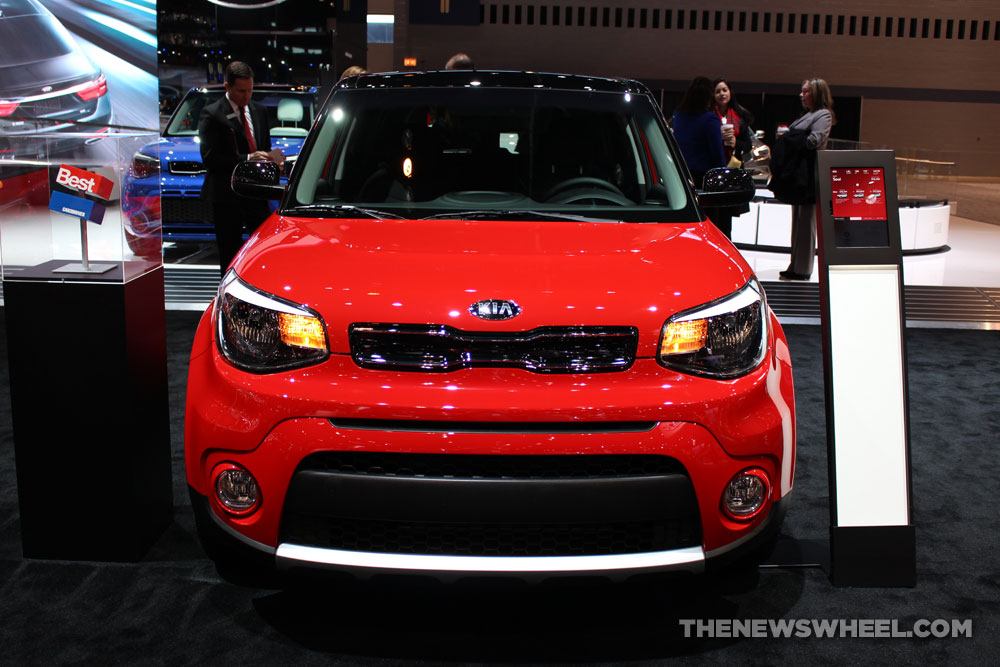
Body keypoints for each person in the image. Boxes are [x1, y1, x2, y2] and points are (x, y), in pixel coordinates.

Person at [198, 61, 283, 276]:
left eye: (250, 90)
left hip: (257, 193)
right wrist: (246, 158)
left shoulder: (259, 111)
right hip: (227, 196)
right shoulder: (212, 114)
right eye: (241, 91)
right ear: (227, 87)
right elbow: (210, 158)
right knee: (230, 252)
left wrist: (272, 160)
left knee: (263, 248)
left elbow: (265, 146)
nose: (246, 96)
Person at [778, 78, 835, 281]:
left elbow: (814, 140)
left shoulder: (824, 115)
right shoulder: (808, 115)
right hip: (799, 175)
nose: (801, 96)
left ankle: (803, 268)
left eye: (806, 92)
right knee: (798, 222)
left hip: (810, 175)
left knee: (806, 223)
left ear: (817, 93)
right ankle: (796, 264)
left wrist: (787, 137)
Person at [672, 77, 727, 235]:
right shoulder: (710, 120)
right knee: (709, 231)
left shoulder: (679, 117)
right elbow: (717, 158)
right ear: (708, 97)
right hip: (705, 182)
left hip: (681, 180)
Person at [712, 77, 754, 166]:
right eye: (718, 91)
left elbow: (748, 145)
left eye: (724, 90)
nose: (722, 94)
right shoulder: (708, 115)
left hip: (734, 163)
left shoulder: (740, 115)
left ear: (730, 92)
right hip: (712, 162)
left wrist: (735, 143)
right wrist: (718, 136)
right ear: (713, 95)